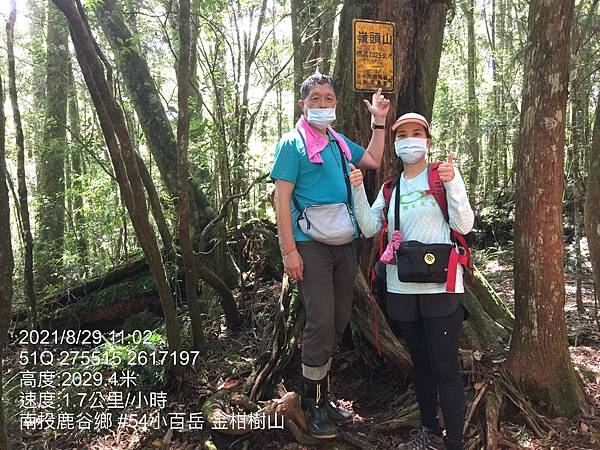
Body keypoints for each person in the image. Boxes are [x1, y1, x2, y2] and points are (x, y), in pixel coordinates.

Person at [270, 73, 390, 439]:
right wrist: (289, 251)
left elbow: (371, 158)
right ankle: (312, 404)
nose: (323, 105)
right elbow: (282, 198)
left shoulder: (337, 142)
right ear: (303, 105)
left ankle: (325, 395)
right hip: (310, 243)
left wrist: (379, 122)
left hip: (343, 242)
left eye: (329, 99)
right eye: (316, 99)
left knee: (337, 319)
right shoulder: (292, 144)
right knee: (320, 319)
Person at [349, 112, 474, 450]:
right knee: (421, 364)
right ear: (395, 143)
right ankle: (429, 432)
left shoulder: (441, 175)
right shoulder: (391, 187)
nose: (409, 139)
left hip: (441, 288)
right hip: (402, 288)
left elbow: (463, 225)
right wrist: (358, 190)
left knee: (445, 366)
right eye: (402, 135)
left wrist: (452, 183)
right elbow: (369, 228)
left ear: (427, 140)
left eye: (416, 133)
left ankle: (456, 443)